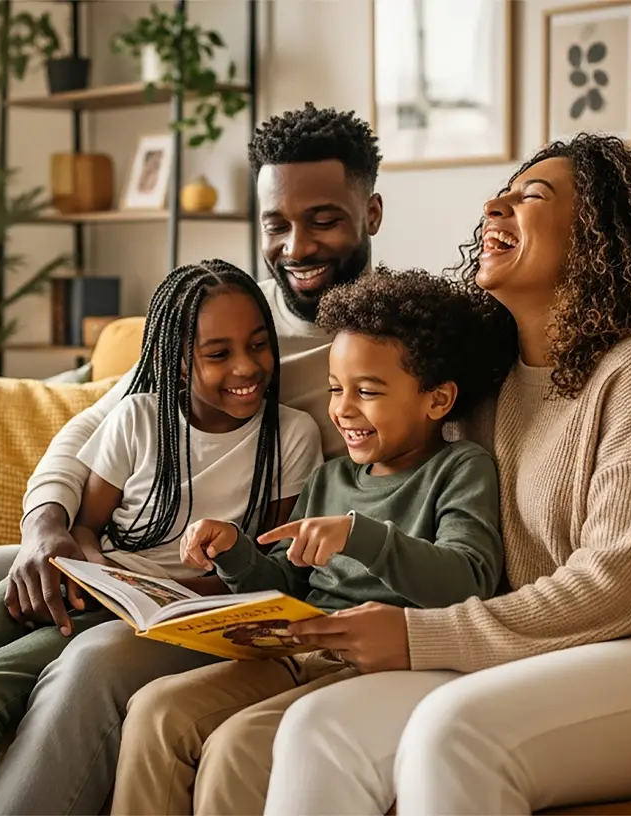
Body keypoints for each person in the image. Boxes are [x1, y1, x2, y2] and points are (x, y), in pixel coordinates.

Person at [0, 105, 631, 816]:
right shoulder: (240, 324)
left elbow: (610, 447)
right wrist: (48, 530)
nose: (296, 243)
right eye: (276, 223)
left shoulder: (426, 339)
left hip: (257, 592)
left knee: (102, 674)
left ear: (369, 216)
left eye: (322, 218)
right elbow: (93, 419)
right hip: (138, 556)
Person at [247, 133, 631, 815]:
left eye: (531, 196)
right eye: (502, 193)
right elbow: (369, 429)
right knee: (321, 728)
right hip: (544, 655)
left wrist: (417, 637)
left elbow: (621, 590)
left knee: (454, 733)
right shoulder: (480, 390)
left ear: (594, 237)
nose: (494, 204)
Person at [0, 260, 323, 815]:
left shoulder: (292, 436)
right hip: (100, 588)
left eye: (259, 345)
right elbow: (87, 524)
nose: (247, 366)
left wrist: (210, 573)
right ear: (176, 363)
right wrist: (99, 571)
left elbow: (269, 563)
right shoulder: (136, 418)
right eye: (218, 353)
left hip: (175, 615)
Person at [111, 268, 509, 815]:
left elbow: (468, 581)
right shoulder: (332, 478)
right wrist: (235, 552)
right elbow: (284, 580)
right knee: (156, 711)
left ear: (437, 400)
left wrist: (360, 537)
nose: (342, 409)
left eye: (366, 392)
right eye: (335, 389)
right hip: (298, 648)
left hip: (380, 661)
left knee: (236, 745)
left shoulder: (461, 468)